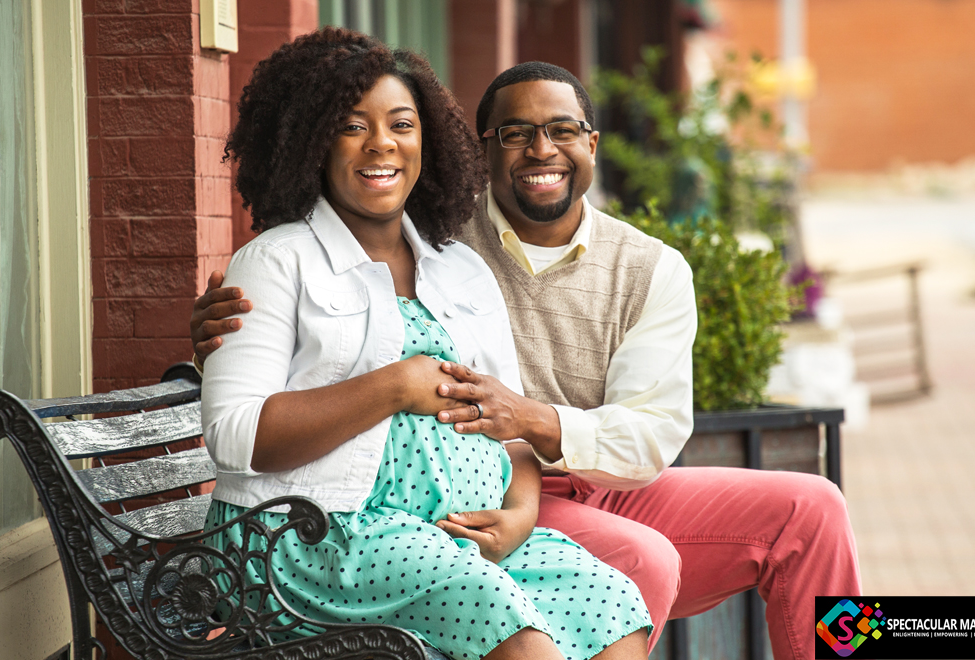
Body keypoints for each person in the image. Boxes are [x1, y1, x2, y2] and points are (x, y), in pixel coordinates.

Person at [193, 59, 862, 660]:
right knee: (643, 563)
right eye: (514, 134)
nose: (541, 150)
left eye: (563, 131)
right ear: (479, 151)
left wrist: (535, 424)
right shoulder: (447, 235)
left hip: (585, 476)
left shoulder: (649, 267)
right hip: (433, 508)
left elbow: (652, 435)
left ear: (591, 145)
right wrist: (207, 337)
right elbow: (299, 346)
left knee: (815, 507)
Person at [200, 29, 652, 660]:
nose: (381, 142)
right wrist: (394, 386)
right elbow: (236, 435)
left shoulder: (463, 269)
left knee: (616, 605)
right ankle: (846, 640)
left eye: (401, 124)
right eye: (353, 125)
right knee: (525, 639)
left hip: (470, 532)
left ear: (427, 142)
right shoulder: (277, 262)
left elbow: (518, 426)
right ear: (312, 141)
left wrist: (519, 514)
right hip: (319, 535)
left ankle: (842, 640)